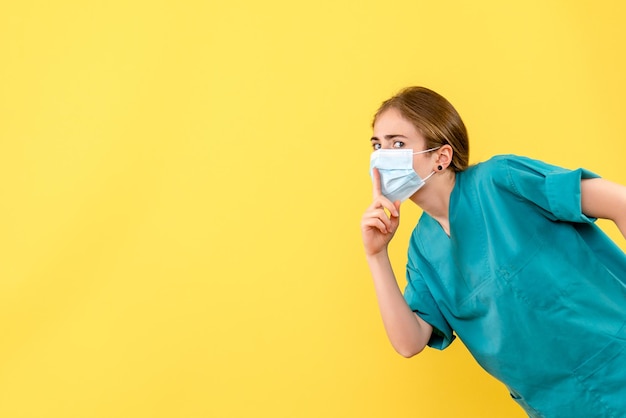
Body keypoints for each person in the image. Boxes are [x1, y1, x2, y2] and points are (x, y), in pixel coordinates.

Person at [360, 86, 626, 417]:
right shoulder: (423, 250)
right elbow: (409, 342)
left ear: (441, 157)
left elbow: (620, 202)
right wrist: (376, 255)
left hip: (618, 365)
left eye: (397, 143)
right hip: (557, 407)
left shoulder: (500, 181)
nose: (382, 156)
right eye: (377, 145)